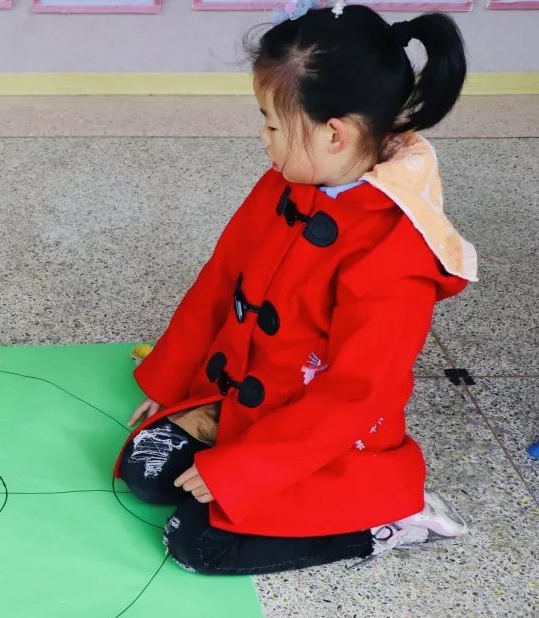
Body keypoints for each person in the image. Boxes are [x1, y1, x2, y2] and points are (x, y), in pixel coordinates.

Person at [118, 2, 473, 574]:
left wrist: (241, 470)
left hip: (322, 445)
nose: (264, 139)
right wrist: (169, 378)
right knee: (146, 469)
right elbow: (222, 279)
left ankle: (388, 525)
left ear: (334, 134)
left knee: (197, 544)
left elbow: (358, 397)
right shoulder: (288, 182)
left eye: (273, 123)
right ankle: (224, 444)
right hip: (250, 399)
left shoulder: (396, 250)